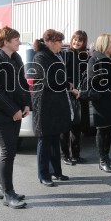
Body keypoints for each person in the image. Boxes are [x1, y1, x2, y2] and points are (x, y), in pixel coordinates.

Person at [0, 26, 30, 209]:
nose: (19, 41)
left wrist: (26, 104)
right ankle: (8, 194)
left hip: (14, 112)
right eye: (16, 39)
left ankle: (4, 189)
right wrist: (12, 110)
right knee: (8, 152)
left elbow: (22, 83)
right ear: (6, 42)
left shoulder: (16, 58)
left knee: (11, 152)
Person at [32, 29, 78, 186]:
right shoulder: (40, 57)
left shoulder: (55, 56)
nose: (61, 45)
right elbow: (50, 81)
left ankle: (56, 172)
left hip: (56, 103)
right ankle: (43, 174)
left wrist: (66, 82)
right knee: (44, 140)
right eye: (59, 42)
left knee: (54, 140)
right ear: (50, 42)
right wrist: (67, 84)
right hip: (44, 104)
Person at [88, 33, 111, 173]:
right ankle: (102, 160)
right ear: (104, 44)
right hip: (102, 100)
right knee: (102, 130)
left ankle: (107, 157)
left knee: (109, 130)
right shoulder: (95, 59)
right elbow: (95, 81)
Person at [62, 30, 90, 165]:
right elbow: (63, 75)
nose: (76, 42)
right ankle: (65, 155)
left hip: (81, 94)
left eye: (80, 40)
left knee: (77, 127)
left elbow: (87, 73)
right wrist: (71, 89)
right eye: (75, 39)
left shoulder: (84, 55)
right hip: (69, 94)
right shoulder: (68, 54)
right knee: (66, 126)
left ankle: (76, 154)